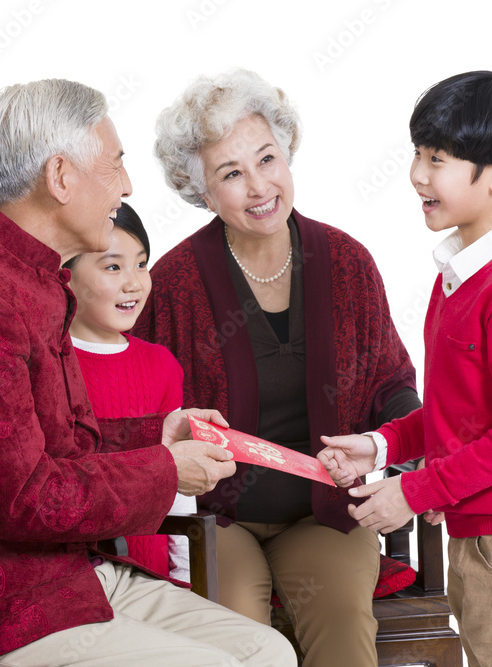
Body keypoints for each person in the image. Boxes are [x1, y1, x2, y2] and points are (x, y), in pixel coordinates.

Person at [0, 77, 296, 667]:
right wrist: (165, 470)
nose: (126, 186)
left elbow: (49, 449)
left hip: (68, 576)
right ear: (60, 177)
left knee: (267, 652)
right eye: (115, 166)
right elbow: (26, 500)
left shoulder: (26, 275)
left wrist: (158, 436)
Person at [132, 69, 420, 666]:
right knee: (236, 636)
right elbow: (142, 405)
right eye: (230, 173)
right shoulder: (175, 283)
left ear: (288, 156)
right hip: (222, 515)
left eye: (267, 159)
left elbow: (393, 384)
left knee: (341, 623)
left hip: (324, 510)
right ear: (202, 191)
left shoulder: (345, 261)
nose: (258, 186)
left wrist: (411, 456)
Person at [319, 71, 492, 667]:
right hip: (486, 534)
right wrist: (380, 444)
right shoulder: (462, 274)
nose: (419, 174)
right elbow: (462, 414)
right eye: (417, 154)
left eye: (438, 158)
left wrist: (412, 493)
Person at [65, 202, 196, 582]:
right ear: (66, 276)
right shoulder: (50, 361)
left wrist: (186, 576)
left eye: (141, 264)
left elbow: (178, 481)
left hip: (154, 578)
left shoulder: (161, 365)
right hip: (77, 580)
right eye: (112, 267)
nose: (134, 283)